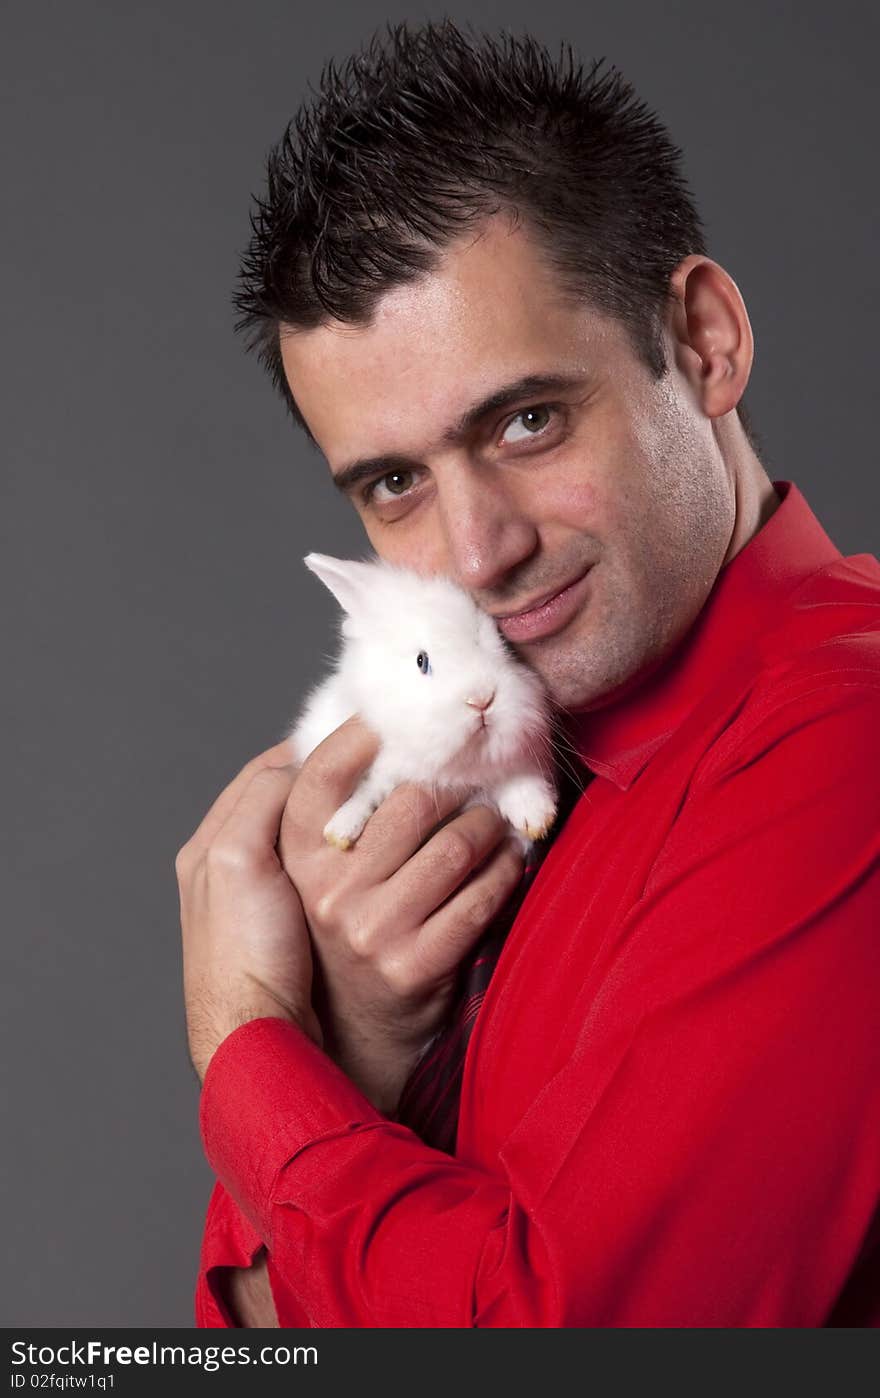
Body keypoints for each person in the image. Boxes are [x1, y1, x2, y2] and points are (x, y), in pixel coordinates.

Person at [175, 20, 880, 1327]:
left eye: (526, 419)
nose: (478, 551)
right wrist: (364, 1053)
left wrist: (253, 1038)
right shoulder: (501, 775)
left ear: (706, 340)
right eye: (395, 483)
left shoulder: (849, 731)